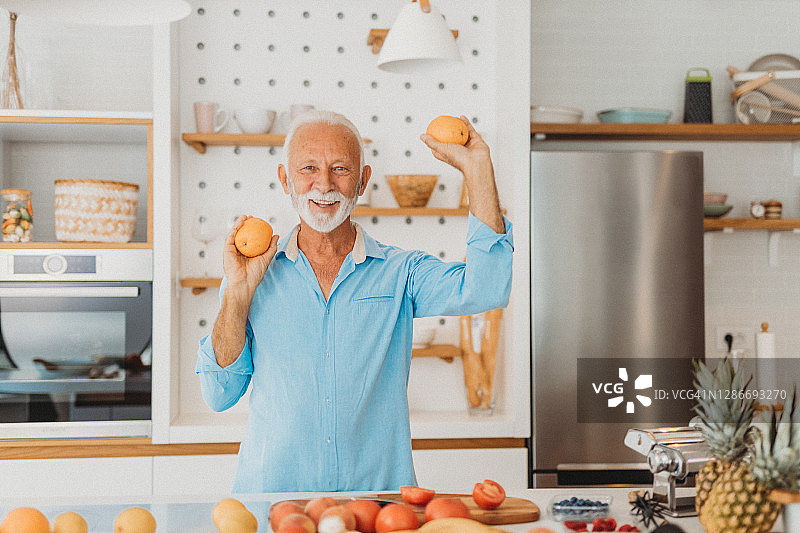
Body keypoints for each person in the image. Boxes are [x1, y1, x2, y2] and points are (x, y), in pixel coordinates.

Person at [196, 109, 513, 492]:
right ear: (285, 180)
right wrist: (237, 293)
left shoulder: (401, 272)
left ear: (362, 181)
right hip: (273, 506)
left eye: (341, 169)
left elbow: (487, 287)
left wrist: (478, 168)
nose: (324, 184)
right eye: (308, 168)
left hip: (377, 508)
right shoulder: (252, 276)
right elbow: (218, 395)